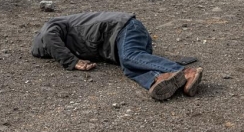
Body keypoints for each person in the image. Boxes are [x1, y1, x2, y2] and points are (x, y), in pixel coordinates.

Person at [31, 11, 203, 101]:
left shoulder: (49, 29)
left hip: (126, 28)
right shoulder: (64, 36)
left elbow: (49, 37)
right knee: (129, 68)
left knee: (129, 57)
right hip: (122, 42)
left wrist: (71, 61)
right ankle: (163, 80)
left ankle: (184, 71)